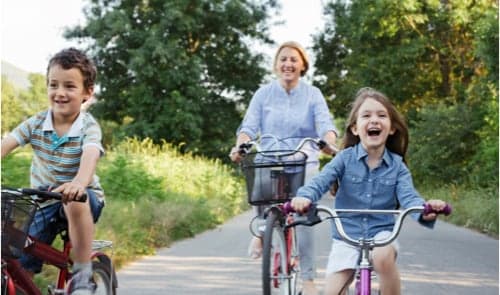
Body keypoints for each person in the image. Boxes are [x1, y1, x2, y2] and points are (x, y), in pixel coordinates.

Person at [291, 87, 448, 295]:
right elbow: (320, 181)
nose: (374, 120)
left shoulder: (398, 167)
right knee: (330, 292)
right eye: (366, 115)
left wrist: (425, 211)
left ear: (391, 128)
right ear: (355, 129)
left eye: (382, 115)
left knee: (383, 256)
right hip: (346, 238)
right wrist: (304, 196)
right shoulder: (344, 159)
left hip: (382, 235)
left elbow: (410, 198)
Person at [230, 41, 337, 295]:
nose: (288, 63)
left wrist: (328, 143)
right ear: (276, 65)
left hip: (303, 161)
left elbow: (326, 125)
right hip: (271, 158)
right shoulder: (263, 94)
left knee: (303, 217)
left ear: (302, 65)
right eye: (283, 59)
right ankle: (263, 228)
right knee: (260, 184)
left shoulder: (313, 94)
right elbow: (248, 127)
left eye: (293, 59)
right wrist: (240, 146)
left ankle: (309, 279)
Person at [1, 48, 105, 295]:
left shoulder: (88, 127)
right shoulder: (36, 122)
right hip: (43, 200)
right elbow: (5, 144)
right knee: (16, 256)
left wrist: (79, 183)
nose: (59, 92)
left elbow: (90, 155)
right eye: (53, 85)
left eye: (69, 86)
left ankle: (82, 274)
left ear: (87, 93)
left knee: (74, 201)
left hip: (83, 196)